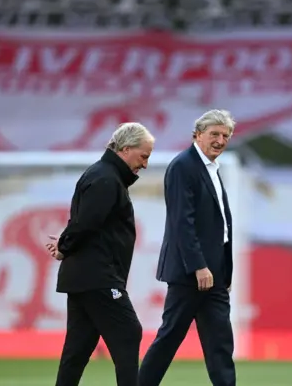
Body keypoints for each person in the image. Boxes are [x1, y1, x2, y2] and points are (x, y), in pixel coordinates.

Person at [45, 122, 155, 386]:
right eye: (144, 156)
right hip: (99, 277)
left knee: (78, 348)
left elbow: (83, 221)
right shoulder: (106, 178)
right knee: (129, 332)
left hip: (86, 277)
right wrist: (65, 246)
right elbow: (87, 223)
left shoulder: (103, 175)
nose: (145, 164)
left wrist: (66, 243)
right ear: (126, 149)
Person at [138, 109, 236, 386]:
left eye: (225, 135)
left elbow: (218, 226)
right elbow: (182, 222)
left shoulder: (211, 168)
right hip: (190, 271)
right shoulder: (184, 166)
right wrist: (198, 266)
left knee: (220, 344)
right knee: (170, 338)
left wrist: (223, 271)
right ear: (197, 135)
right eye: (214, 134)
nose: (220, 140)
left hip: (214, 273)